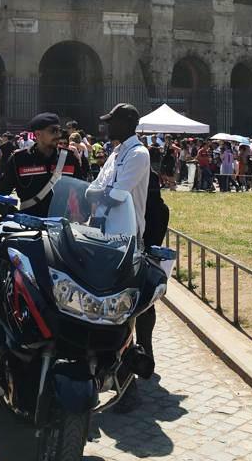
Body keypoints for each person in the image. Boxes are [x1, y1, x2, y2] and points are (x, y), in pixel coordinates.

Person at [87, 103, 152, 412]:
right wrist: (99, 193)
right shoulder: (115, 154)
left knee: (121, 312)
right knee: (98, 306)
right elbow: (94, 189)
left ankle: (128, 386)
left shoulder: (138, 154)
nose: (106, 126)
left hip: (126, 240)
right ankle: (102, 371)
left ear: (127, 123)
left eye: (111, 122)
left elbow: (116, 194)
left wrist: (101, 193)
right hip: (103, 237)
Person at [0, 113, 84, 217]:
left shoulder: (69, 158)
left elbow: (82, 192)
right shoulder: (19, 160)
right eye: (53, 131)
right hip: (29, 228)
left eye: (59, 130)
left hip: (61, 226)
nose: (58, 135)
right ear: (38, 134)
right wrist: (16, 216)